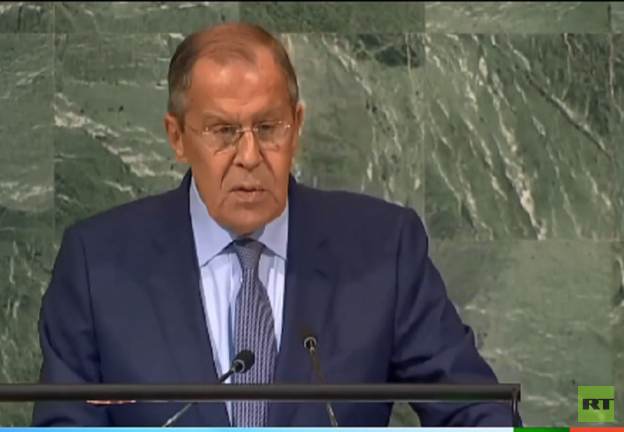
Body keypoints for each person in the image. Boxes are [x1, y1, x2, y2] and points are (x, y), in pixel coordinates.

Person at [31, 22, 521, 427]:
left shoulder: (382, 250)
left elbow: (478, 409)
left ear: (297, 126)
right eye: (223, 131)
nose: (249, 156)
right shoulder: (98, 265)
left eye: (268, 128)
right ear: (177, 137)